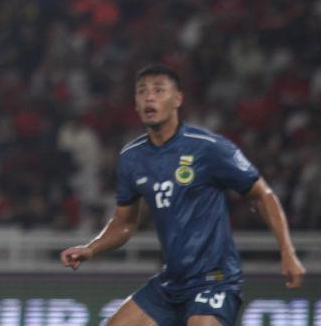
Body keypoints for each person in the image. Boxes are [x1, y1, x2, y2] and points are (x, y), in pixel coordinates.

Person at [60, 64, 306, 326]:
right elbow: (124, 223)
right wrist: (90, 249)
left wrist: (287, 252)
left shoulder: (208, 148)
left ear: (177, 99)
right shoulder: (132, 158)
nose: (149, 97)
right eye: (142, 91)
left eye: (158, 90)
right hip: (172, 283)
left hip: (215, 280)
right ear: (136, 104)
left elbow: (262, 195)